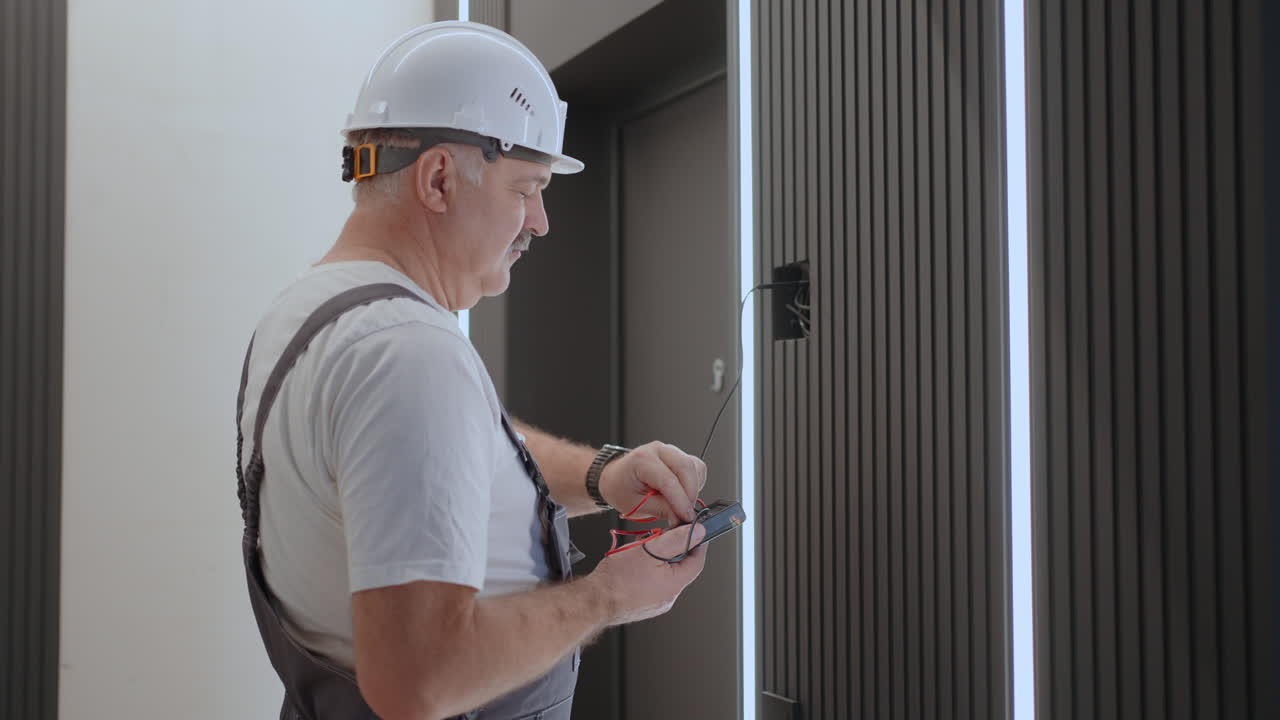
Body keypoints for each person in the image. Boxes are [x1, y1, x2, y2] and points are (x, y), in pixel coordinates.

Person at [234, 21, 711, 720]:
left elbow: (448, 449)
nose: (541, 221)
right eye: (527, 188)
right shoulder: (409, 354)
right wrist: (610, 594)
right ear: (437, 179)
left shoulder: (306, 316)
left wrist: (602, 475)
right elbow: (418, 682)